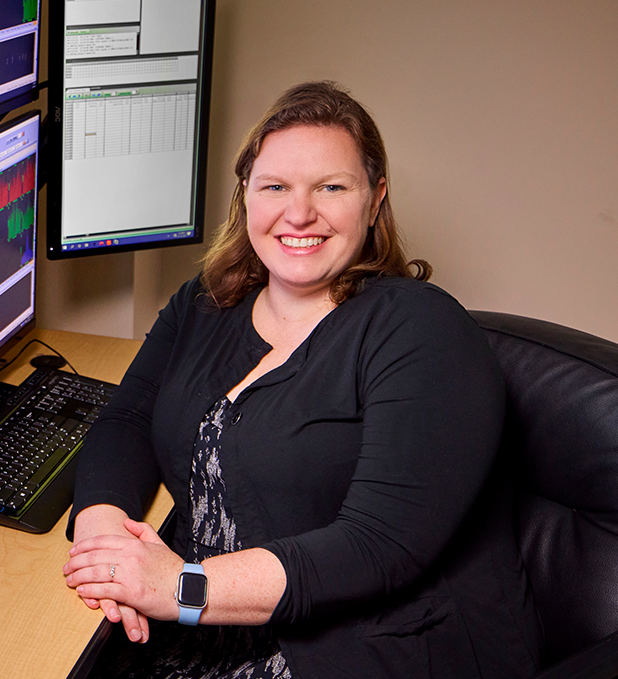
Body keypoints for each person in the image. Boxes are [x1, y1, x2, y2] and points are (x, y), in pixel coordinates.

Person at [62, 82, 542, 678]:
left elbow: (378, 546)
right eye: (275, 187)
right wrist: (102, 543)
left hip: (361, 651)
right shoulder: (206, 302)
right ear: (246, 195)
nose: (299, 214)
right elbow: (127, 418)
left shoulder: (423, 328)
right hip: (206, 628)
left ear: (375, 199)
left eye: (331, 188)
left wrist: (178, 586)